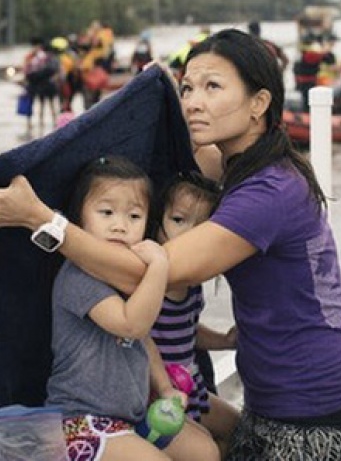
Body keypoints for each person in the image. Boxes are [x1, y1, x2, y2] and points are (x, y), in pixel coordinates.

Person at [0, 28, 341, 461]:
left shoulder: (270, 190)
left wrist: (42, 220)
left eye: (213, 87)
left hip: (313, 417)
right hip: (273, 404)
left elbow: (151, 270)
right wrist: (150, 97)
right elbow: (137, 168)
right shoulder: (237, 164)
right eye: (187, 88)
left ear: (259, 103)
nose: (193, 102)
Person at [45, 155, 218, 461]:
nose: (120, 226)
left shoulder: (124, 278)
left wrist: (164, 388)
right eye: (106, 212)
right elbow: (130, 325)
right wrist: (159, 266)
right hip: (81, 421)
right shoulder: (77, 275)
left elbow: (143, 339)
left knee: (204, 451)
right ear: (79, 220)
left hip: (133, 417)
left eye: (134, 216)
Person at [151, 173, 240, 453]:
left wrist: (225, 341)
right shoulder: (148, 282)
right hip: (158, 396)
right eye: (178, 220)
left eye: (201, 227)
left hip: (193, 388)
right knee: (202, 451)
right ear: (157, 223)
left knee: (237, 428)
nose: (189, 234)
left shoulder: (192, 285)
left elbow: (189, 331)